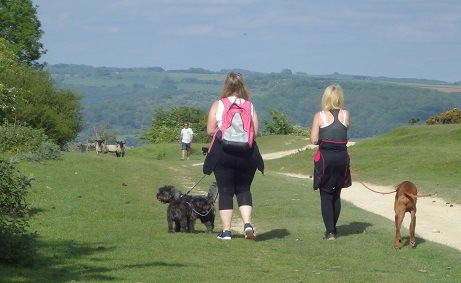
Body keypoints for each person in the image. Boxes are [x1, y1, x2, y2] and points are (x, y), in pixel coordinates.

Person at [203, 72, 264, 240]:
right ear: (243, 86)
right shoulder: (249, 106)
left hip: (223, 153)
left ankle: (227, 231)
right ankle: (247, 224)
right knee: (244, 189)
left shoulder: (218, 104)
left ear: (226, 86)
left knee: (225, 191)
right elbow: (255, 133)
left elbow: (209, 130)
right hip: (247, 154)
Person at [310, 84, 351, 240]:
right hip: (342, 157)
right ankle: (333, 228)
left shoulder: (319, 116)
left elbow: (314, 140)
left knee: (326, 194)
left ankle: (330, 231)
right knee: (337, 193)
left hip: (326, 158)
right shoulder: (346, 114)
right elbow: (344, 130)